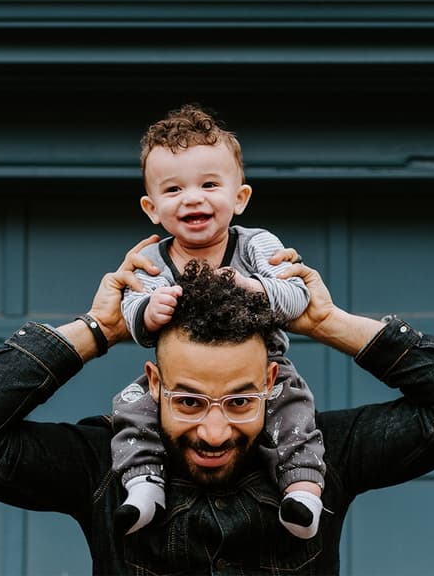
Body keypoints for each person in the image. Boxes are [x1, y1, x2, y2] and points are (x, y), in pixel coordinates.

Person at [0, 235, 434, 575]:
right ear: (153, 383)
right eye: (191, 401)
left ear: (273, 380)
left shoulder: (324, 455)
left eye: (241, 400)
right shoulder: (101, 466)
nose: (216, 430)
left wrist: (329, 323)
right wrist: (97, 329)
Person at [112, 103, 324, 539]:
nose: (192, 198)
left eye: (209, 184)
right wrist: (148, 312)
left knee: (294, 408)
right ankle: (143, 484)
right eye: (173, 190)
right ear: (152, 208)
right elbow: (131, 314)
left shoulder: (256, 245)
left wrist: (256, 289)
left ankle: (302, 491)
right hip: (179, 378)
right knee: (131, 407)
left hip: (265, 367)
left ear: (239, 197)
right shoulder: (151, 258)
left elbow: (296, 295)